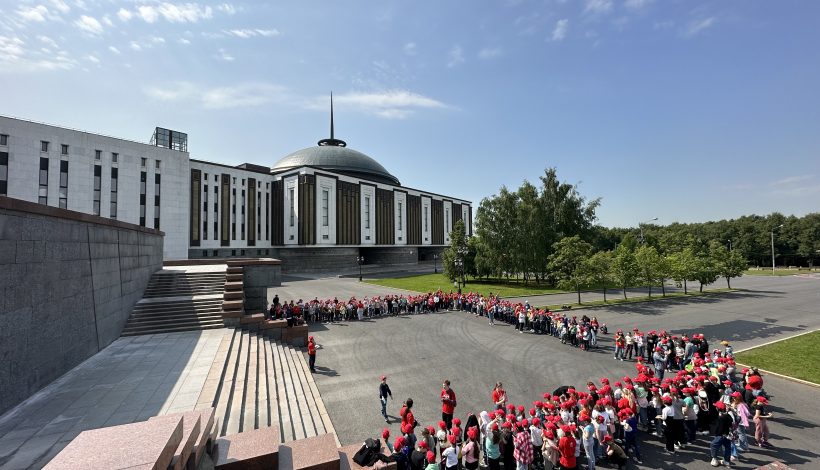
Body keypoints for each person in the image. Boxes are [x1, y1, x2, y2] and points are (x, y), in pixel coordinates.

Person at [710, 401, 733, 467]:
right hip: (728, 434)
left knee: (713, 445)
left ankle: (714, 459)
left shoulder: (721, 418)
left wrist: (716, 433)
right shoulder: (727, 415)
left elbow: (719, 428)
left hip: (721, 435)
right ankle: (726, 461)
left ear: (718, 408)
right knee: (727, 448)